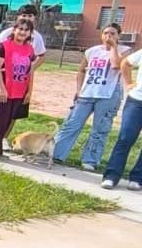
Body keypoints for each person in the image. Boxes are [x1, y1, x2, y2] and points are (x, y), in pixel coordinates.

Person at [53, 23, 131, 170]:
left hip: (108, 94)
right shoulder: (92, 51)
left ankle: (90, 160)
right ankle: (56, 153)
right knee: (72, 123)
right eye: (106, 33)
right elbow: (82, 70)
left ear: (118, 36)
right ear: (101, 35)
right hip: (88, 92)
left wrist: (113, 47)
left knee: (100, 128)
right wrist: (78, 88)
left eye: (113, 33)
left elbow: (116, 65)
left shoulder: (125, 51)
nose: (109, 36)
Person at [0, 5, 46, 149]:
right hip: (5, 79)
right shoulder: (7, 34)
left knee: (13, 114)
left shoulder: (36, 37)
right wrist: (2, 69)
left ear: (35, 19)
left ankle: (3, 138)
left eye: (30, 16)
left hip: (20, 81)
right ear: (17, 19)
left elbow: (41, 55)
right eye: (24, 16)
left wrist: (30, 69)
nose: (26, 19)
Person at [0, 19, 36, 160]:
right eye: (20, 29)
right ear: (14, 30)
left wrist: (29, 91)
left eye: (26, 30)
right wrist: (2, 89)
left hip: (19, 90)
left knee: (8, 120)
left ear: (30, 33)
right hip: (3, 89)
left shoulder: (29, 49)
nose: (23, 32)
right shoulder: (3, 47)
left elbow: (30, 71)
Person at [101, 44, 142, 190]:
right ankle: (111, 176)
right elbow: (126, 63)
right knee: (125, 137)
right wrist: (129, 83)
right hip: (137, 101)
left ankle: (137, 178)